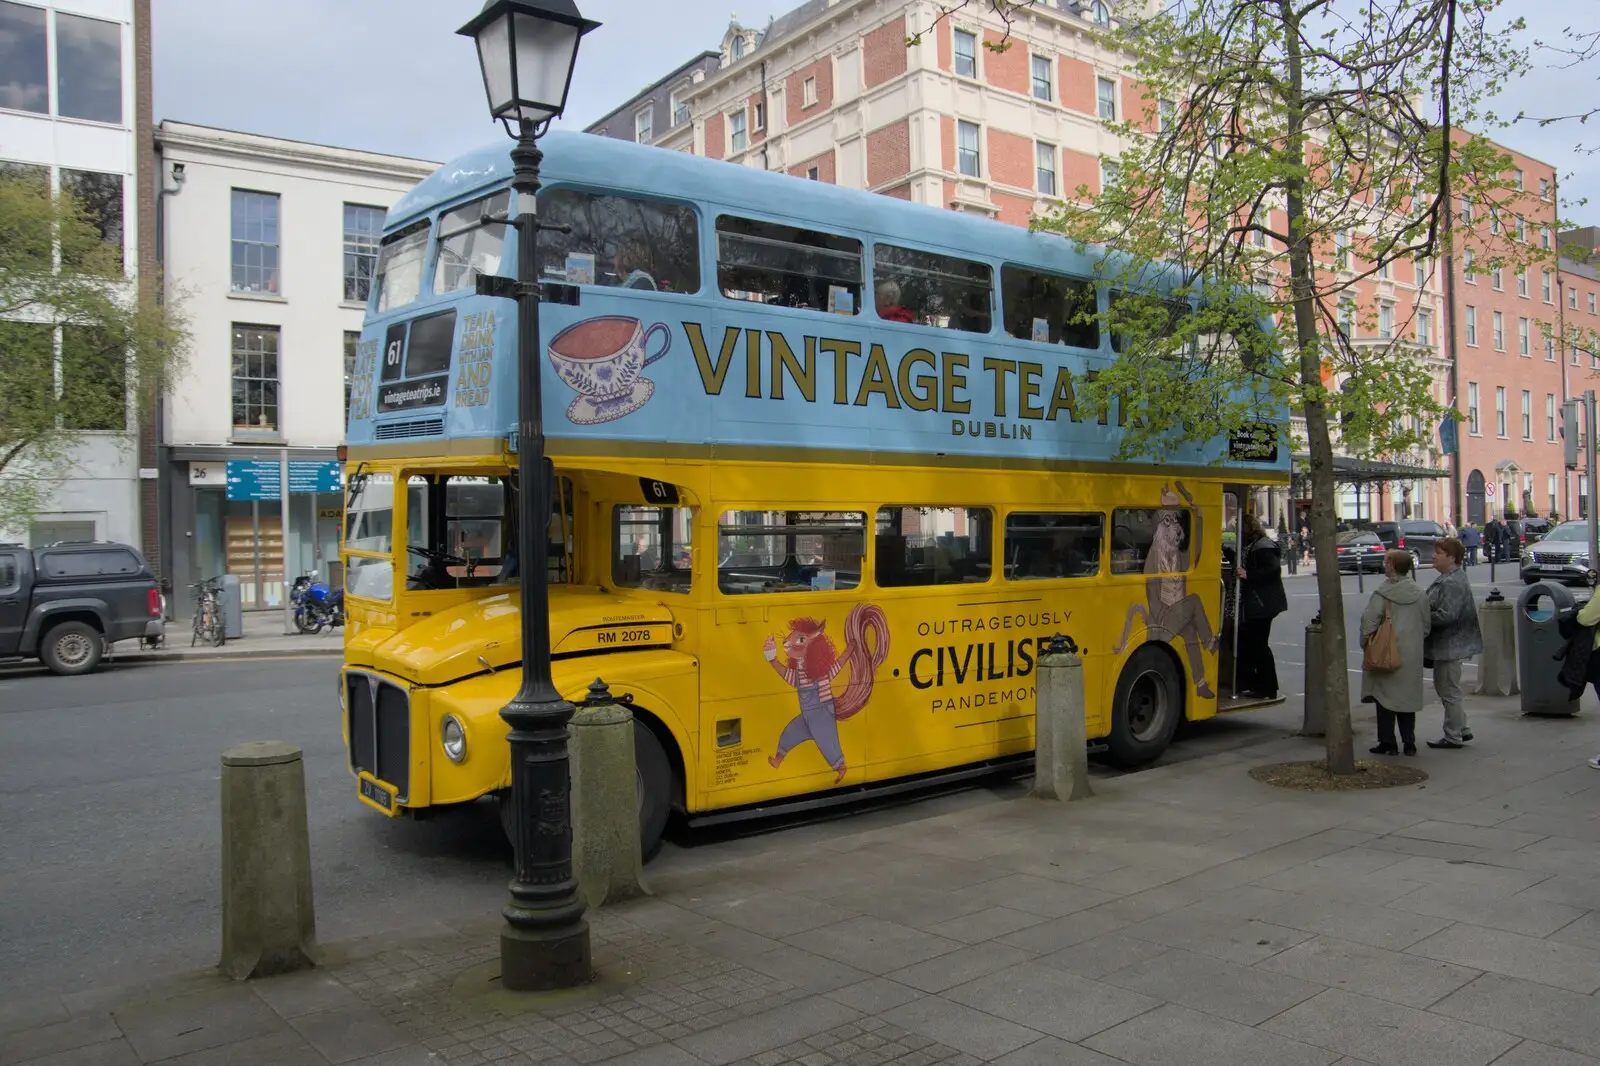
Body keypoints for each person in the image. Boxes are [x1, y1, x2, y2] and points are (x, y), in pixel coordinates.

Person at [1360, 549, 1431, 755]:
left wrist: (1365, 642)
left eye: (1386, 562)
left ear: (1392, 566)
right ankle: (1409, 742)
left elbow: (1369, 622)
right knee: (1406, 699)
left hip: (1386, 652)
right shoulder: (1420, 593)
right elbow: (1426, 625)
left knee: (1384, 699)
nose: (1384, 565)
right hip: (1411, 653)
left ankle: (1388, 742)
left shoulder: (1383, 594)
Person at [1423, 537, 1482, 749]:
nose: (1434, 556)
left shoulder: (1452, 582)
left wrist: (1422, 617)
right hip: (1448, 645)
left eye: (1438, 553)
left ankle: (1453, 734)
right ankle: (1461, 728)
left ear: (1451, 557)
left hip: (1450, 646)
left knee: (1448, 690)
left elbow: (1447, 615)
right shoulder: (1450, 578)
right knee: (1448, 688)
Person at [1236, 514, 1287, 698]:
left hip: (1262, 603)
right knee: (1254, 643)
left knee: (1257, 644)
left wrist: (1249, 574)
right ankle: (1259, 684)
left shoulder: (1262, 546)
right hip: (1262, 603)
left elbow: (1273, 570)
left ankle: (1266, 686)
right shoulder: (1257, 545)